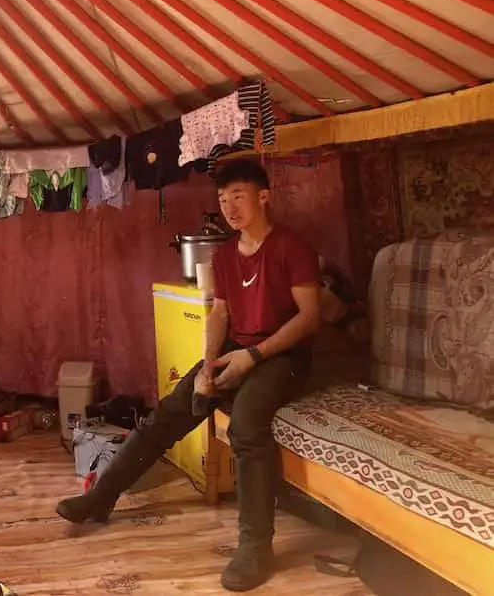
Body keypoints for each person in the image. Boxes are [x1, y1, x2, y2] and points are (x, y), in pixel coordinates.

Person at [55, 159, 322, 592]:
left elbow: (309, 318)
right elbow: (220, 313)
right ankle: (100, 498)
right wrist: (207, 365)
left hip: (285, 355)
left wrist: (253, 357)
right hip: (238, 348)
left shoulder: (292, 247)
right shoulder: (224, 255)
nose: (229, 206)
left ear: (263, 197)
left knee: (248, 425)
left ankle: (256, 548)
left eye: (238, 195)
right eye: (222, 199)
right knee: (172, 410)